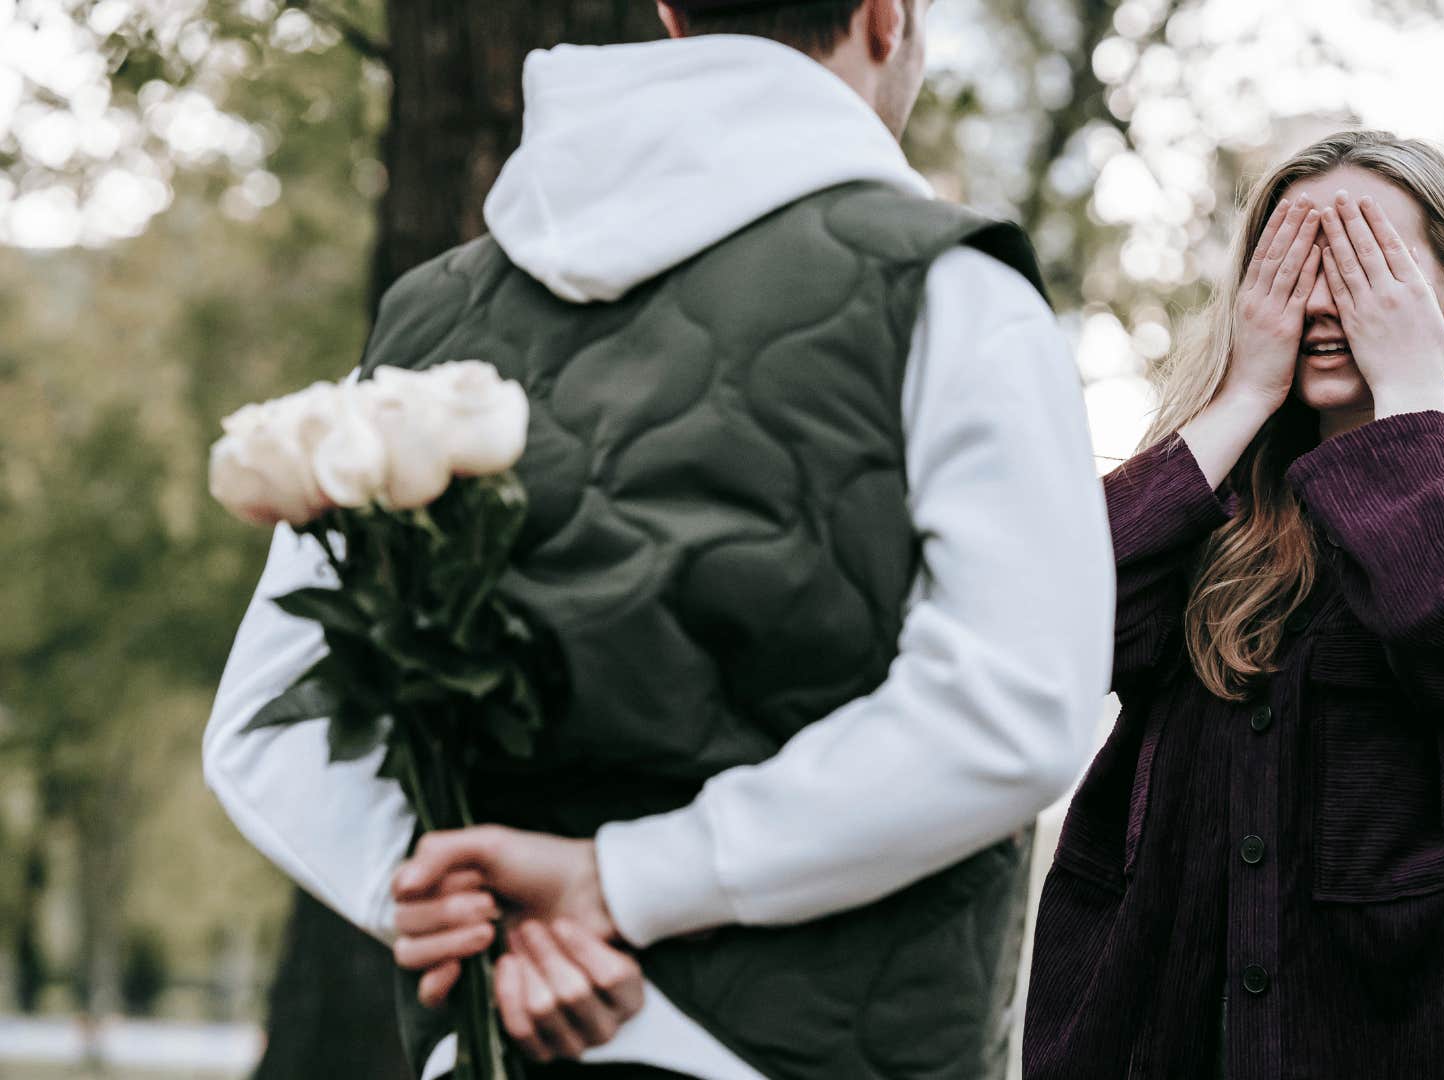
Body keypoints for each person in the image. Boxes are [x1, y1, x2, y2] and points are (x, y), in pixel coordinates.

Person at [204, 1, 1115, 1077]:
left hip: (512, 1037)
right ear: (886, 16)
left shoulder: (428, 320)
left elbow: (272, 715)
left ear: (672, 12)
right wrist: (618, 883)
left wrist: (463, 908)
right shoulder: (955, 292)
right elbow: (1015, 706)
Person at [1021, 129, 1444, 1079]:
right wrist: (1241, 394)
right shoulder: (1199, 517)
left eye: (1362, 257)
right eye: (1293, 263)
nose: (1319, 298)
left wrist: (1407, 401)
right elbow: (1036, 626)